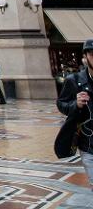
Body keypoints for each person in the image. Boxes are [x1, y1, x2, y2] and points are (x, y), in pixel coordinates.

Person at [57, 38, 93, 190]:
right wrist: (75, 105)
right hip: (89, 144)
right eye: (92, 54)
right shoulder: (74, 80)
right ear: (85, 57)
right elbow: (61, 104)